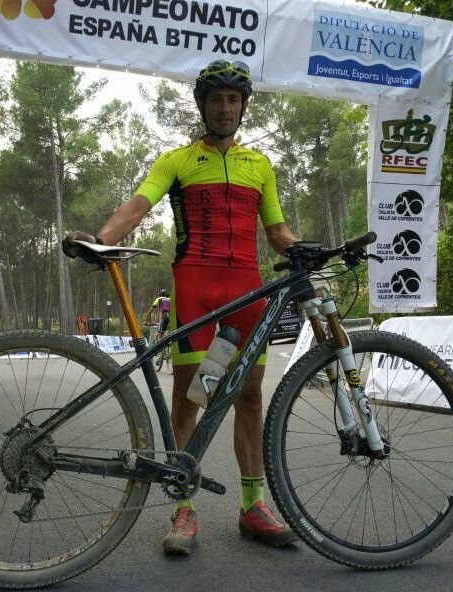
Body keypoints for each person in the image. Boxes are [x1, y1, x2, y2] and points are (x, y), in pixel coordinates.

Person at [63, 59, 299, 555]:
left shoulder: (261, 165)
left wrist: (306, 250)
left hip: (245, 290)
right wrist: (101, 240)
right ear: (202, 106)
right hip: (196, 287)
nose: (225, 108)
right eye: (217, 99)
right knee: (190, 398)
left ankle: (252, 506)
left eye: (234, 100)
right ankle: (183, 508)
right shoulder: (177, 159)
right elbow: (138, 206)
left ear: (243, 107)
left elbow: (276, 232)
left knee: (250, 397)